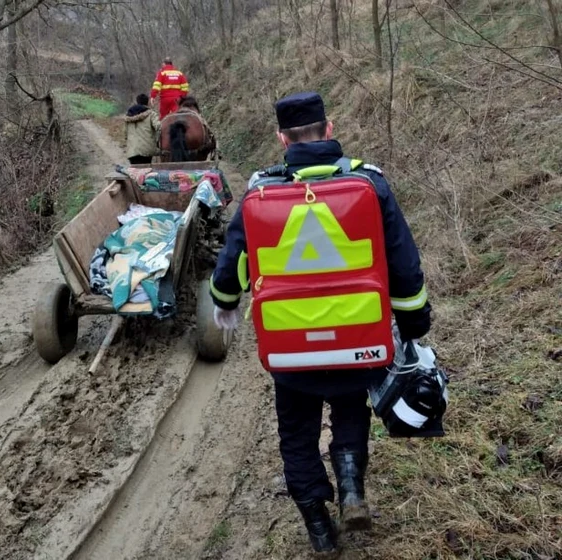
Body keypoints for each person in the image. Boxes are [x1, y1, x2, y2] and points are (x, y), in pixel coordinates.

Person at [209, 92, 431, 554]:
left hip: (291, 347)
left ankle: (318, 527)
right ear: (329, 130)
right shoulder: (369, 184)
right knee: (351, 412)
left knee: (296, 433)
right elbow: (404, 266)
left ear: (281, 139)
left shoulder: (259, 193)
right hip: (358, 336)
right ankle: (351, 491)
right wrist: (414, 324)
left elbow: (230, 266)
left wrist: (224, 301)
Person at [124, 93, 160, 165]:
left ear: (137, 101)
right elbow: (159, 127)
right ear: (147, 102)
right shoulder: (151, 114)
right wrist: (157, 141)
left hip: (132, 151)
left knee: (135, 173)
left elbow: (125, 134)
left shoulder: (128, 115)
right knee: (146, 172)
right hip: (147, 150)